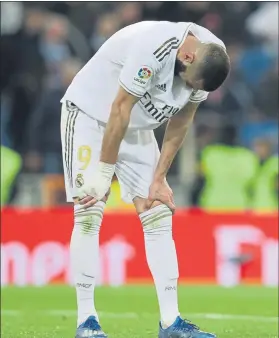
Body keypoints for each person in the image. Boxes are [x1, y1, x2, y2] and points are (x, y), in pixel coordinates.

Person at [60, 21, 230, 338]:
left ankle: (171, 323)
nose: (188, 88)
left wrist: (160, 177)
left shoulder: (209, 55)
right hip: (91, 116)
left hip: (136, 128)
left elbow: (182, 119)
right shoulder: (152, 47)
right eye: (190, 82)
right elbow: (119, 109)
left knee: (158, 210)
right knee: (88, 211)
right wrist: (102, 173)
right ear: (188, 57)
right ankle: (87, 322)